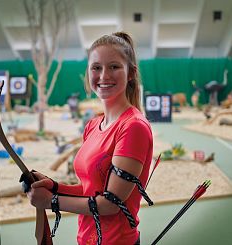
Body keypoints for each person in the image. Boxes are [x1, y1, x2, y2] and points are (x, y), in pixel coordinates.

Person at [26, 31, 154, 245]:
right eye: (96, 68)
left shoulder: (133, 127)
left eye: (114, 67)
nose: (104, 76)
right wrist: (54, 187)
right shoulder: (93, 125)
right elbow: (90, 191)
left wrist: (53, 202)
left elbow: (111, 203)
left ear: (131, 73)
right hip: (87, 239)